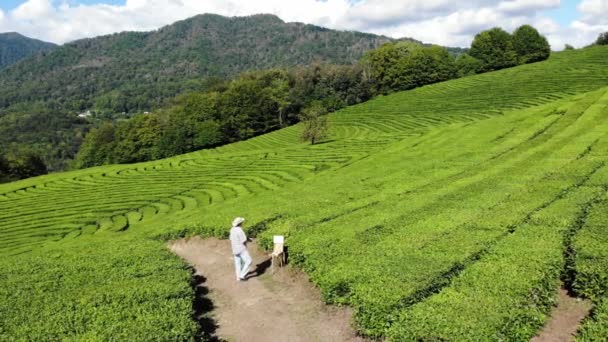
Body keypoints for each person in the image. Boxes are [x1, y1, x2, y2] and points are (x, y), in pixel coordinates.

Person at [230, 217, 252, 281]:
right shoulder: (240, 230)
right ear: (240, 223)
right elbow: (244, 240)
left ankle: (238, 277)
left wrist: (248, 239)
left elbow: (231, 239)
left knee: (238, 263)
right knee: (249, 261)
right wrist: (248, 241)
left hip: (234, 249)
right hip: (241, 248)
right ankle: (242, 275)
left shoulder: (232, 229)